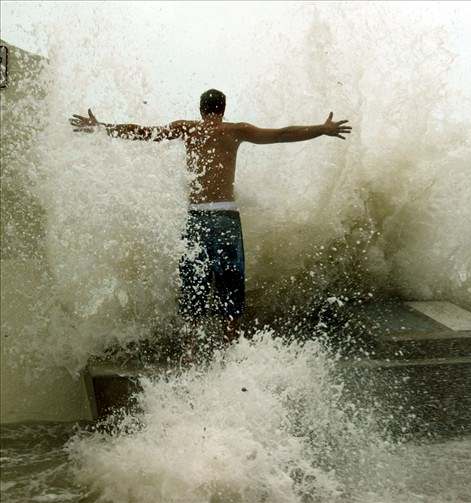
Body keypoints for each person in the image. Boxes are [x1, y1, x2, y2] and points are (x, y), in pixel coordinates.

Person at [69, 89, 352, 354]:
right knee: (231, 278)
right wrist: (322, 129)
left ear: (201, 109)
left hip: (197, 216)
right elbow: (281, 134)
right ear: (223, 109)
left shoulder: (187, 128)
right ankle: (229, 344)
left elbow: (145, 133)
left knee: (194, 279)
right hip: (225, 215)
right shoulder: (235, 130)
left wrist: (102, 127)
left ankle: (191, 348)